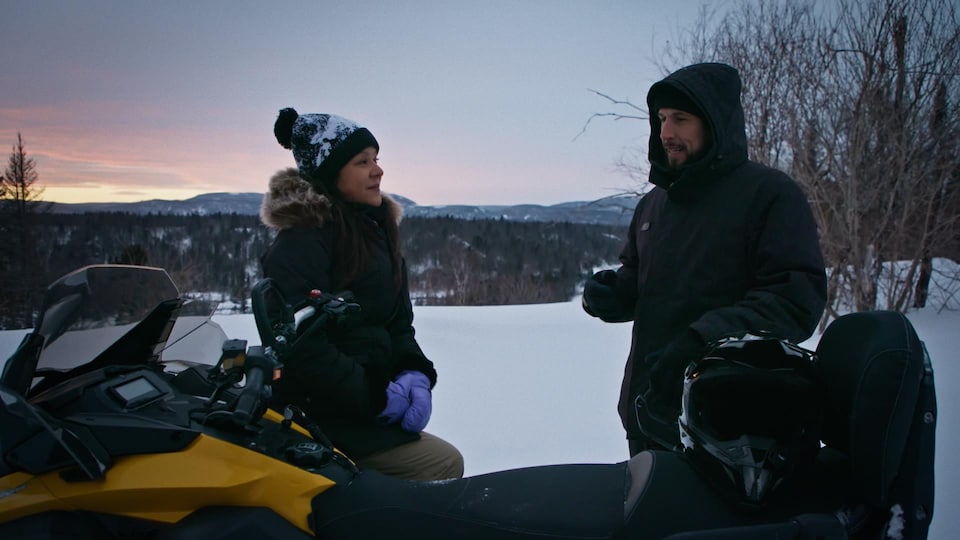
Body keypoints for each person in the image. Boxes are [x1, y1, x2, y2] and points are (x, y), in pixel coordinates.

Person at [582, 63, 828, 455]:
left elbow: (794, 300)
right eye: (661, 119)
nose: (666, 132)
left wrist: (701, 340)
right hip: (648, 411)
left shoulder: (768, 196)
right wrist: (609, 293)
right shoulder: (653, 205)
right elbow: (639, 280)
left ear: (714, 124)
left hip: (729, 426)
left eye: (680, 118)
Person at [260, 107, 464, 481]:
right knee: (443, 464)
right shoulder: (302, 242)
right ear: (329, 174)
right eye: (362, 161)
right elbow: (302, 348)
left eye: (376, 158)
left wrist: (413, 372)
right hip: (319, 415)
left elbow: (399, 323)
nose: (378, 170)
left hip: (362, 408)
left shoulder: (376, 233)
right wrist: (375, 396)